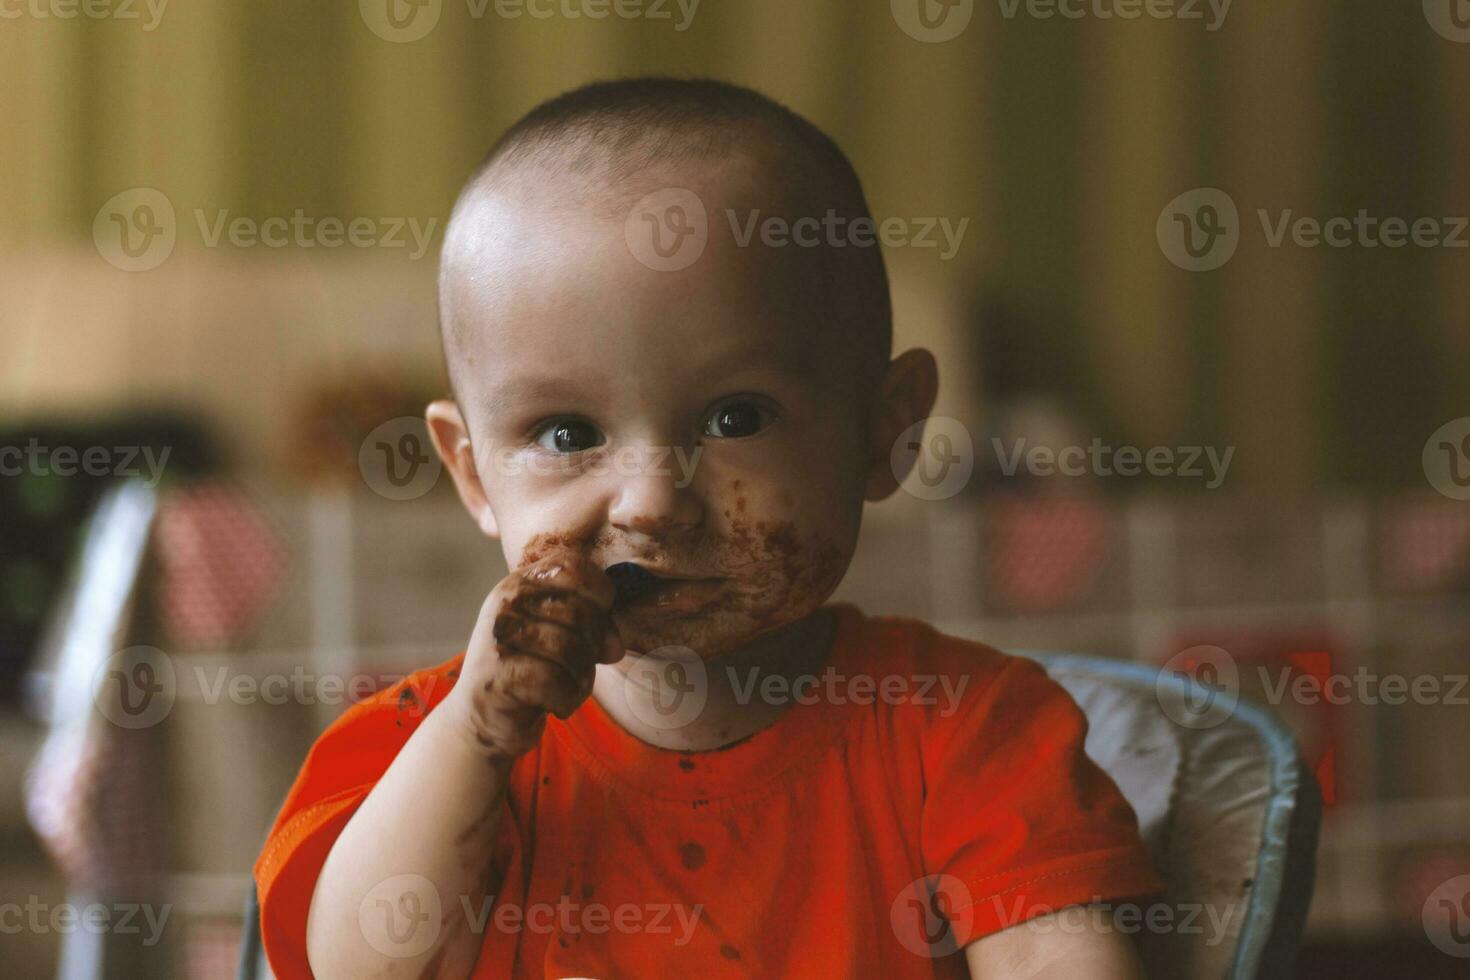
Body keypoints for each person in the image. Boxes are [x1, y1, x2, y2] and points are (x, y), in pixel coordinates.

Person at [256, 77, 1161, 979]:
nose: (652, 500)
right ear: (471, 471)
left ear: (884, 432)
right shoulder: (424, 747)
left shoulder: (967, 732)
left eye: (735, 419)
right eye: (567, 434)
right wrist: (477, 737)